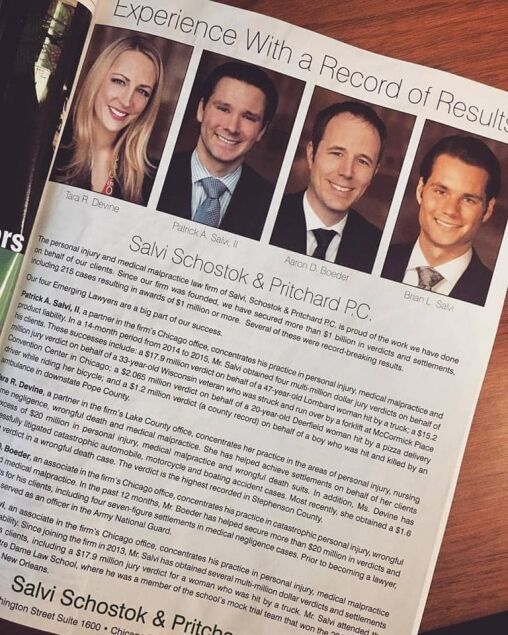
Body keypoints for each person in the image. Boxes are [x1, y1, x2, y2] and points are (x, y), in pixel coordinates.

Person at [157, 61, 278, 240]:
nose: (232, 127)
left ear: (262, 131)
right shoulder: (149, 175)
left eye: (248, 117)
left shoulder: (275, 207)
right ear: (201, 109)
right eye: (223, 109)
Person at [382, 135, 501, 306]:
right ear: (420, 190)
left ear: (488, 209)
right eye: (441, 192)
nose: (450, 210)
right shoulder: (372, 259)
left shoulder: (496, 297)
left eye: (468, 200)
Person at [270, 101, 386, 273]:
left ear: (374, 172)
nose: (347, 172)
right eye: (337, 153)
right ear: (311, 155)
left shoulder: (380, 251)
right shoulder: (263, 214)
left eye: (362, 161)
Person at [52, 35, 163, 205]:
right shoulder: (53, 144)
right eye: (119, 81)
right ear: (97, 79)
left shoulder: (148, 180)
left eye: (142, 92)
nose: (127, 101)